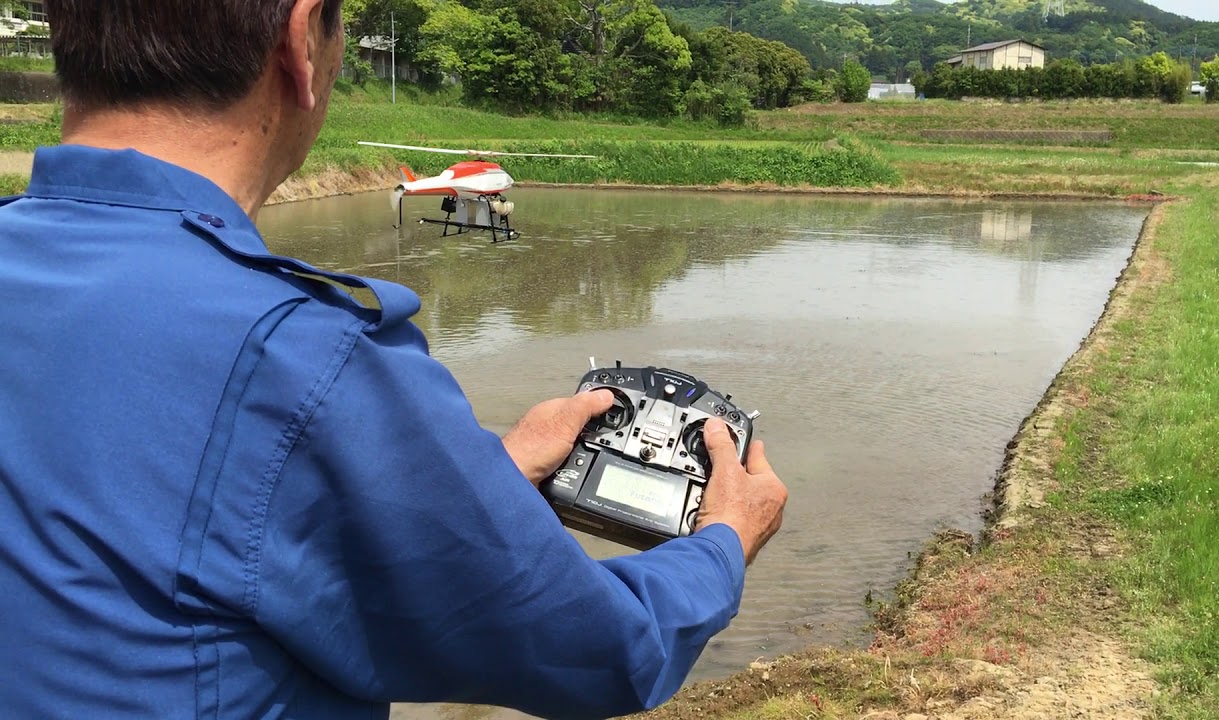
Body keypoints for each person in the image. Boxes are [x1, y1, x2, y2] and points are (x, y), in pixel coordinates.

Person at [0, 1, 788, 718]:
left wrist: (488, 473)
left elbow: (181, 511)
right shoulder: (303, 356)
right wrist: (722, 540)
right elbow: (600, 651)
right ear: (301, 41)